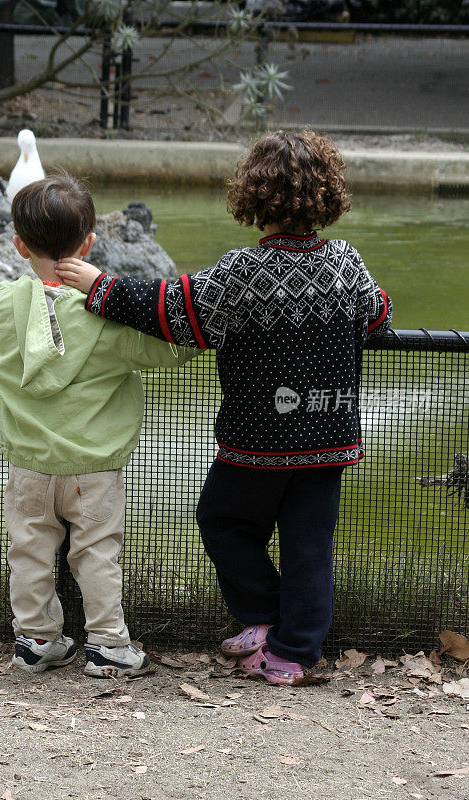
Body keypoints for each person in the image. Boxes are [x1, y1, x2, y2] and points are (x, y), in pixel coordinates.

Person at [55, 130, 392, 685]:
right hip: (328, 438)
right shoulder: (346, 265)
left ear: (251, 196)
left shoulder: (242, 272)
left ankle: (262, 617)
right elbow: (378, 315)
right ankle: (294, 653)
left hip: (256, 441)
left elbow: (172, 309)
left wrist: (101, 287)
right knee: (310, 548)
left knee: (221, 520)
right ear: (328, 195)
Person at [0, 173, 198, 677]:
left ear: (19, 244)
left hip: (29, 464)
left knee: (27, 554)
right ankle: (108, 644)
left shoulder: (5, 306)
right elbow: (175, 348)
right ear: (89, 244)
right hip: (94, 467)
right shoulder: (105, 319)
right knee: (95, 555)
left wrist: (17, 296)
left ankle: (35, 639)